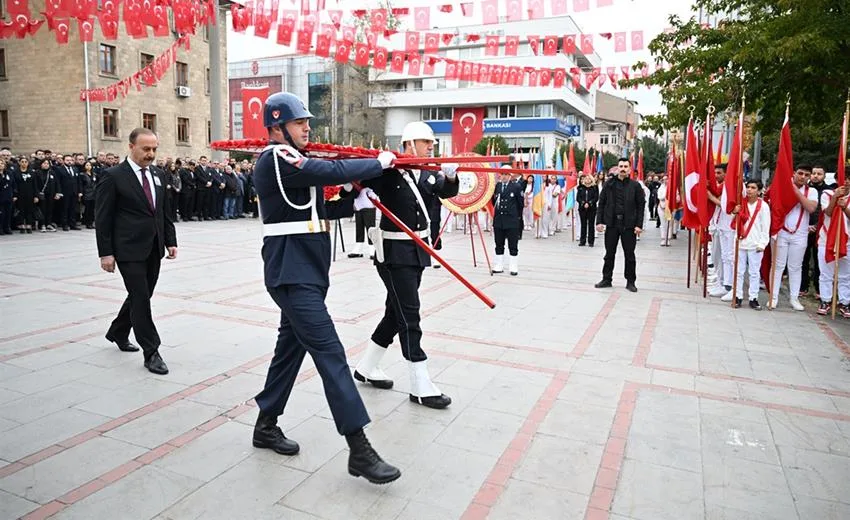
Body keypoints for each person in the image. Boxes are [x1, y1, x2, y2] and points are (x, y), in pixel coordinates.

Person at [250, 92, 400, 484]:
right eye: (299, 122)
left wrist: (352, 202)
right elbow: (324, 171)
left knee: (289, 350)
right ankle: (359, 448)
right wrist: (377, 163)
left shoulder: (292, 163)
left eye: (306, 122)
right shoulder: (277, 158)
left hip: (308, 271)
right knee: (330, 352)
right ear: (277, 127)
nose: (307, 128)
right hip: (291, 273)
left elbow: (314, 211)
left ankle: (265, 424)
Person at [349, 121, 459, 410]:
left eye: (432, 143)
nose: (431, 147)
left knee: (394, 312)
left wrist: (450, 178)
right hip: (394, 254)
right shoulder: (389, 171)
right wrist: (372, 168)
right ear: (409, 144)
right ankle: (420, 385)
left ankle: (367, 367)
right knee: (409, 315)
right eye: (426, 143)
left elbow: (445, 192)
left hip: (417, 251)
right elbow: (357, 182)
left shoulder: (427, 172)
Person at [95, 128, 177, 375]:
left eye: (154, 149)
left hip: (154, 246)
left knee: (141, 294)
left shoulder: (158, 174)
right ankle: (152, 351)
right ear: (131, 147)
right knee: (140, 297)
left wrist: (170, 241)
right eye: (146, 149)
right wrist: (106, 253)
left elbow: (164, 211)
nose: (151, 154)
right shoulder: (113, 176)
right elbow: (103, 218)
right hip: (127, 248)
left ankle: (118, 331)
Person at [770, 166, 818, 310]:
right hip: (781, 231)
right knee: (777, 265)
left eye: (806, 175)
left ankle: (794, 298)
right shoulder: (783, 187)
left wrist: (795, 191)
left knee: (795, 267)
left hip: (800, 234)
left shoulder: (812, 191)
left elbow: (811, 208)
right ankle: (773, 297)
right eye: (800, 173)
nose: (803, 177)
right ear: (794, 173)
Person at [595, 158, 646, 292]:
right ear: (617, 168)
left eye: (625, 166)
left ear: (629, 169)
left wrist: (639, 225)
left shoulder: (635, 186)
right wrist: (599, 221)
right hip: (612, 224)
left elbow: (641, 206)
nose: (623, 169)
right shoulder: (609, 184)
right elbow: (601, 203)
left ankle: (630, 281)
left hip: (629, 225)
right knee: (609, 253)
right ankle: (606, 279)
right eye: (621, 166)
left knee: (630, 255)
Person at [732, 180, 771, 310]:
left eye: (753, 188)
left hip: (755, 244)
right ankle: (738, 296)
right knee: (739, 271)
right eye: (748, 187)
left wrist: (762, 244)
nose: (749, 190)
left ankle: (753, 298)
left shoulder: (763, 206)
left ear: (759, 191)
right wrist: (735, 212)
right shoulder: (741, 204)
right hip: (740, 242)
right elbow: (733, 222)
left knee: (754, 272)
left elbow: (765, 226)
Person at [815, 178, 850, 317]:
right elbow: (827, 213)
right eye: (844, 179)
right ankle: (825, 300)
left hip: (847, 241)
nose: (846, 182)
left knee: (845, 275)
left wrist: (844, 208)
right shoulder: (827, 194)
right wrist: (835, 198)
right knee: (826, 273)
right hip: (827, 239)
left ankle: (845, 302)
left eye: (849, 179)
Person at [491, 165, 526, 275]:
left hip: (511, 220)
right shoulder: (497, 186)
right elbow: (494, 201)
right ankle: (499, 265)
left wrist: (517, 217)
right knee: (499, 243)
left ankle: (513, 266)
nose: (504, 176)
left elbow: (520, 204)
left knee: (513, 244)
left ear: (510, 176)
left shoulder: (516, 186)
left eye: (506, 174)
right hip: (499, 220)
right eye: (502, 174)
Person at [577, 173, 599, 247]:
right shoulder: (580, 188)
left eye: (589, 178)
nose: (587, 180)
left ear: (591, 180)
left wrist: (589, 203)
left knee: (591, 225)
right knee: (583, 225)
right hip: (582, 208)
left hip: (592, 208)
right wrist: (583, 203)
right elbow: (578, 198)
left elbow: (596, 197)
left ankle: (591, 241)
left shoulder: (594, 187)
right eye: (586, 178)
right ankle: (582, 241)